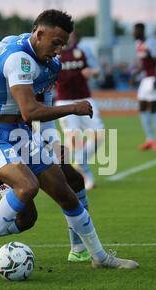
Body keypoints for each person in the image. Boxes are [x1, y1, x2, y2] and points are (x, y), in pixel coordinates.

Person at [0, 10, 138, 279]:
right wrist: (73, 108)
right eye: (55, 42)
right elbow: (30, 112)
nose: (58, 50)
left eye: (63, 45)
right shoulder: (19, 59)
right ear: (39, 33)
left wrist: (52, 143)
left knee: (57, 199)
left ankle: (99, 257)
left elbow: (41, 113)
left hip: (22, 135)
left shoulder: (50, 64)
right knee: (27, 187)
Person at [55, 31, 105, 191]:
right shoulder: (55, 53)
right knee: (74, 139)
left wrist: (93, 72)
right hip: (64, 101)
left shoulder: (83, 51)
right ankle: (86, 176)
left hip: (85, 99)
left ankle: (80, 160)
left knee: (99, 134)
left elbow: (97, 70)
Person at [130, 23, 156, 152]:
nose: (133, 33)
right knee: (142, 107)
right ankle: (150, 139)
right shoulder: (138, 44)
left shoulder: (151, 42)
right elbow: (145, 63)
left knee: (153, 108)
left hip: (155, 78)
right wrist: (135, 73)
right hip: (146, 78)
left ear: (141, 31)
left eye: (135, 31)